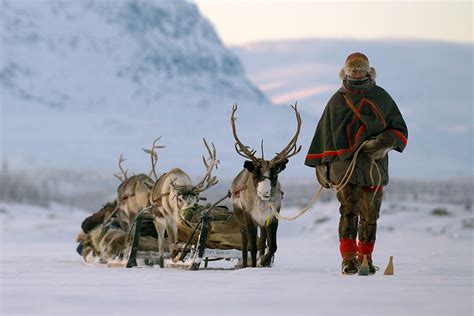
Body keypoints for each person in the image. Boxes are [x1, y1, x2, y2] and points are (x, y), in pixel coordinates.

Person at [304, 52, 408, 275]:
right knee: (348, 210)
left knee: (370, 212)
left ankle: (366, 257)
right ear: (346, 72)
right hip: (344, 167)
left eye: (361, 69)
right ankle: (349, 259)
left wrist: (383, 142)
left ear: (369, 71)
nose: (357, 73)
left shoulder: (381, 97)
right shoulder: (336, 101)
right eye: (353, 70)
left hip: (373, 166)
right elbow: (324, 136)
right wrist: (322, 166)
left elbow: (398, 129)